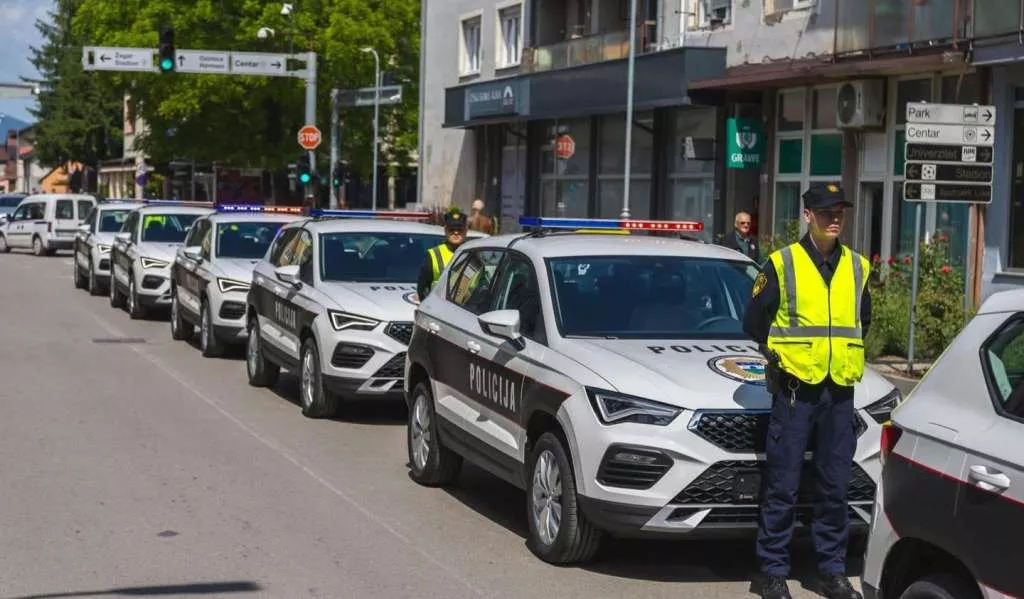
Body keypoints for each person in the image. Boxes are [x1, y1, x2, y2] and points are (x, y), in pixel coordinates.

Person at [742, 183, 871, 599]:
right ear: (808, 216)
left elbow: (861, 321)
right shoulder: (782, 264)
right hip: (797, 392)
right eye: (826, 211)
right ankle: (773, 572)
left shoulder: (857, 266)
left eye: (840, 211)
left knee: (835, 487)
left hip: (839, 393)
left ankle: (831, 571)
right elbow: (755, 323)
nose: (835, 218)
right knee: (784, 484)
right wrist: (781, 359)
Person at [417, 208, 469, 301]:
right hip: (439, 311)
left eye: (459, 229)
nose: (456, 232)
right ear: (445, 230)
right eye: (451, 229)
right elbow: (422, 288)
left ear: (466, 231)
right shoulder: (434, 254)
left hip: (467, 310)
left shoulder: (473, 253)